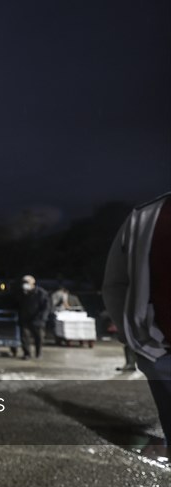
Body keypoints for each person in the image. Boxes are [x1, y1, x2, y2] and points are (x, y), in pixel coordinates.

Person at [102, 192, 170, 452]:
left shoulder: (145, 217)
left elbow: (114, 286)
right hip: (161, 354)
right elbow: (115, 286)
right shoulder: (144, 217)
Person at [17, 275, 50, 359]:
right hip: (25, 319)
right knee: (25, 337)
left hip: (38, 319)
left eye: (27, 282)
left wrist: (42, 318)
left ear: (33, 283)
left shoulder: (41, 293)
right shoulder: (21, 293)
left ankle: (38, 353)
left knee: (39, 338)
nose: (24, 284)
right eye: (23, 282)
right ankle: (27, 354)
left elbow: (46, 307)